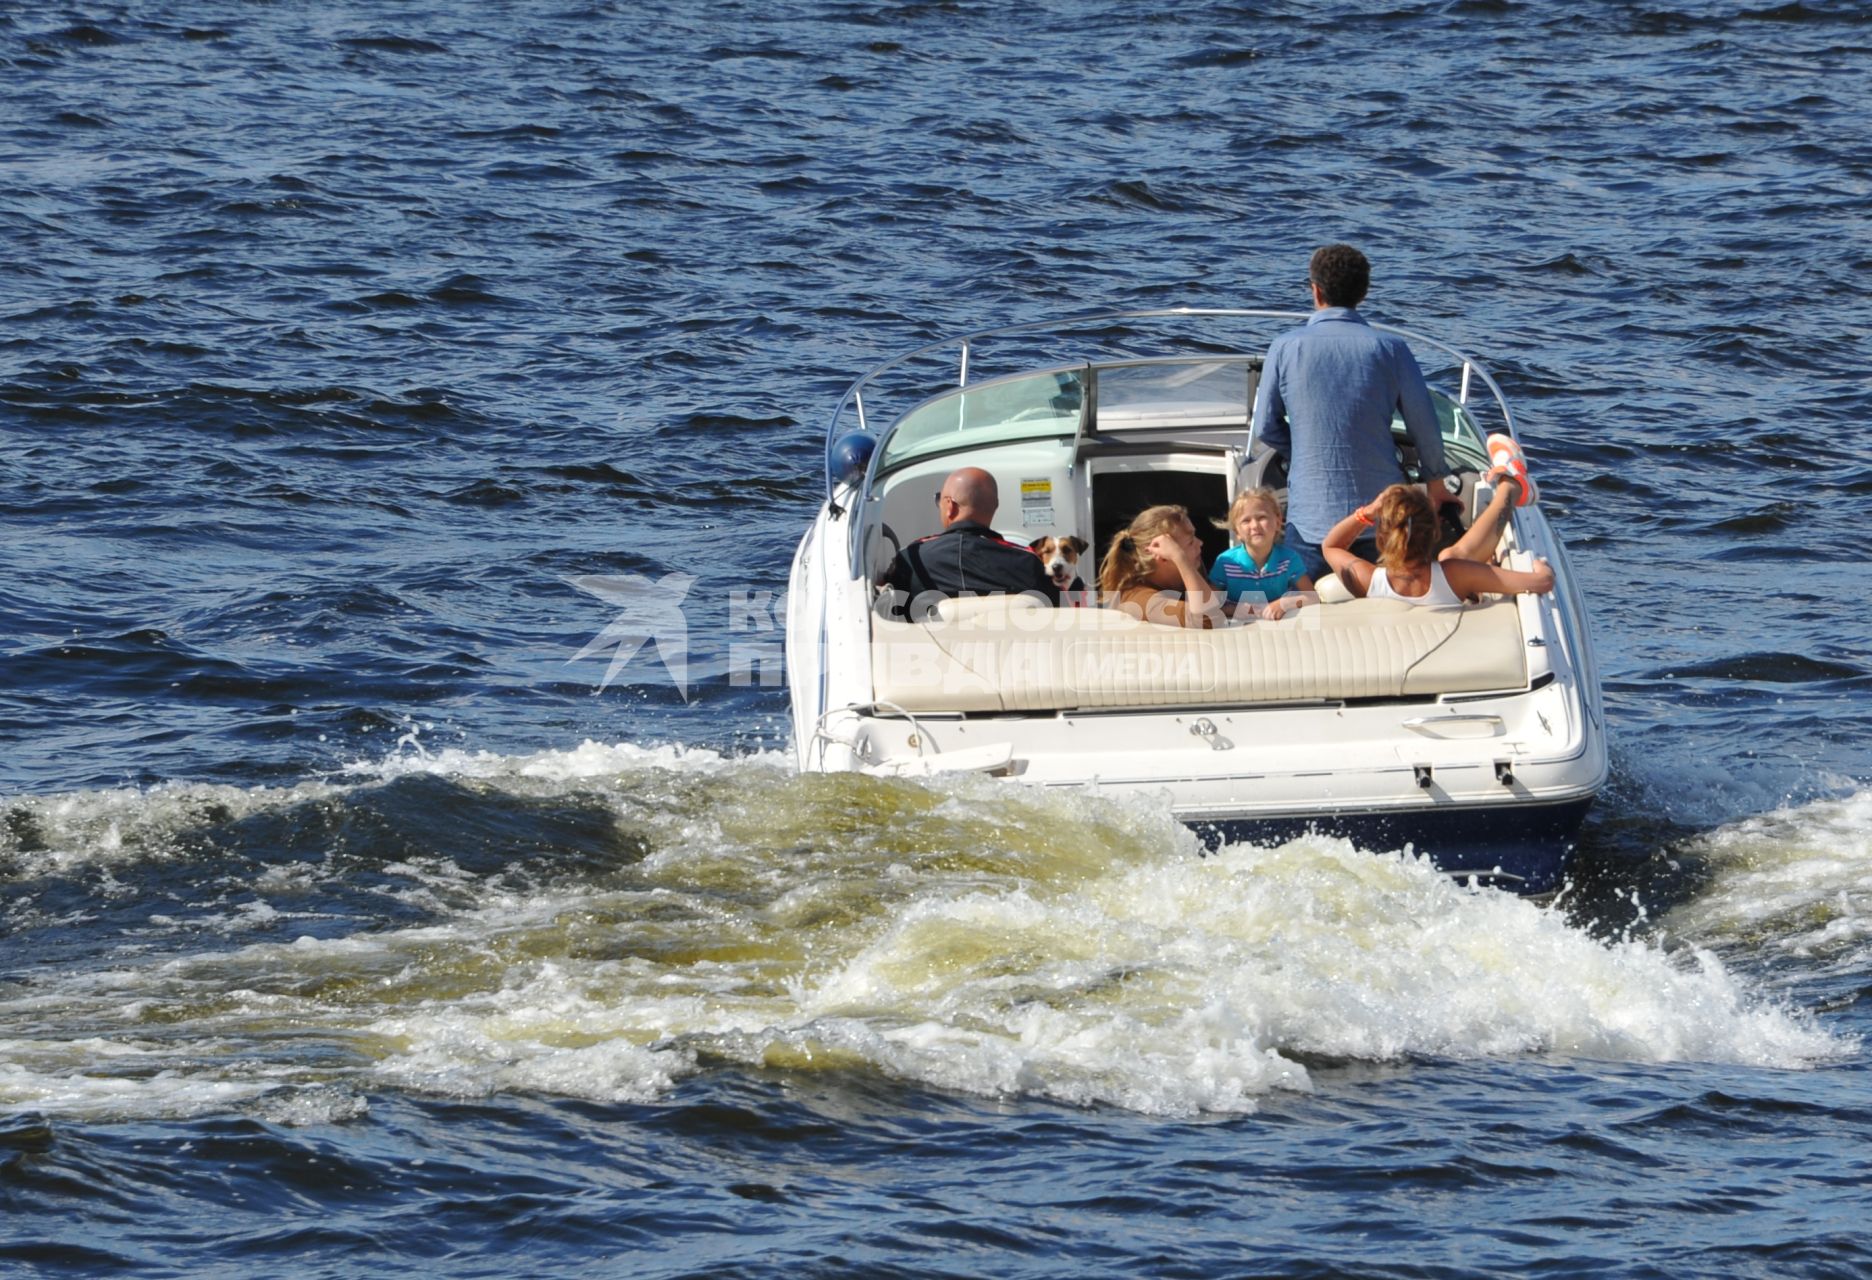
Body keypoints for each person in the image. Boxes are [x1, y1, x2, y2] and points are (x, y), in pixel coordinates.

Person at [1253, 243, 1453, 578]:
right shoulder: (1391, 348)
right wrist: (1436, 484)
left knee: (1301, 613)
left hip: (1311, 520)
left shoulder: (1284, 347)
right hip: (1382, 520)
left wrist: (1301, 452)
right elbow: (1425, 427)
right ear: (1364, 292)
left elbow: (1264, 427)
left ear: (1315, 290)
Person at [1322, 480, 1553, 608]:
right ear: (1435, 532)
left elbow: (1331, 546)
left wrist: (1369, 512)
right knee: (1452, 555)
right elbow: (1542, 582)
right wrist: (1541, 566)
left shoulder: (1367, 580)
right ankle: (1509, 489)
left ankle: (1509, 489)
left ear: (1382, 539)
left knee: (1453, 556)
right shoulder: (1457, 574)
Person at [878, 466, 1059, 614]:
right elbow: (1057, 613)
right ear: (995, 507)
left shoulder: (911, 560)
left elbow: (892, 613)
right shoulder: (1029, 564)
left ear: (950, 506)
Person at [1097, 505, 1221, 628]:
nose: (1200, 543)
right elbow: (1208, 619)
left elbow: (1216, 598)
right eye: (1190, 542)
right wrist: (1180, 558)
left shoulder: (1183, 574)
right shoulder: (1139, 599)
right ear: (1162, 556)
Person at [1207, 487, 1315, 621]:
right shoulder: (1226, 562)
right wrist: (1234, 610)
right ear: (1237, 532)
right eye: (1246, 521)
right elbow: (1208, 605)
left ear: (1277, 522)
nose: (1255, 526)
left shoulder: (1289, 560)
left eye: (1262, 517)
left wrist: (1284, 604)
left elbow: (1312, 597)